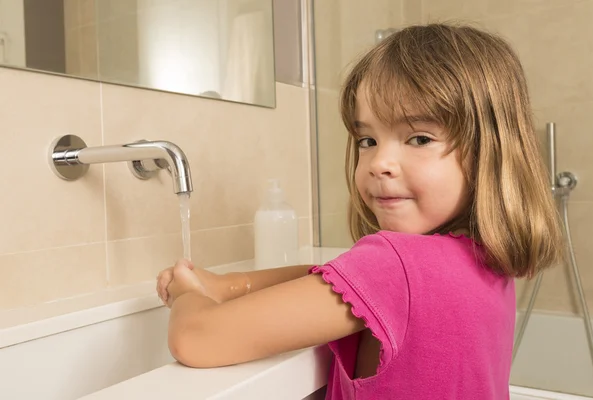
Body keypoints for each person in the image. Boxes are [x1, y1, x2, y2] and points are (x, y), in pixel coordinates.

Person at [156, 23, 564, 399]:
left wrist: (187, 294)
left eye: (419, 138)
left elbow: (196, 338)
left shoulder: (395, 266)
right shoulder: (478, 258)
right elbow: (336, 276)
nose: (378, 162)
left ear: (487, 156)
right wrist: (231, 285)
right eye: (367, 139)